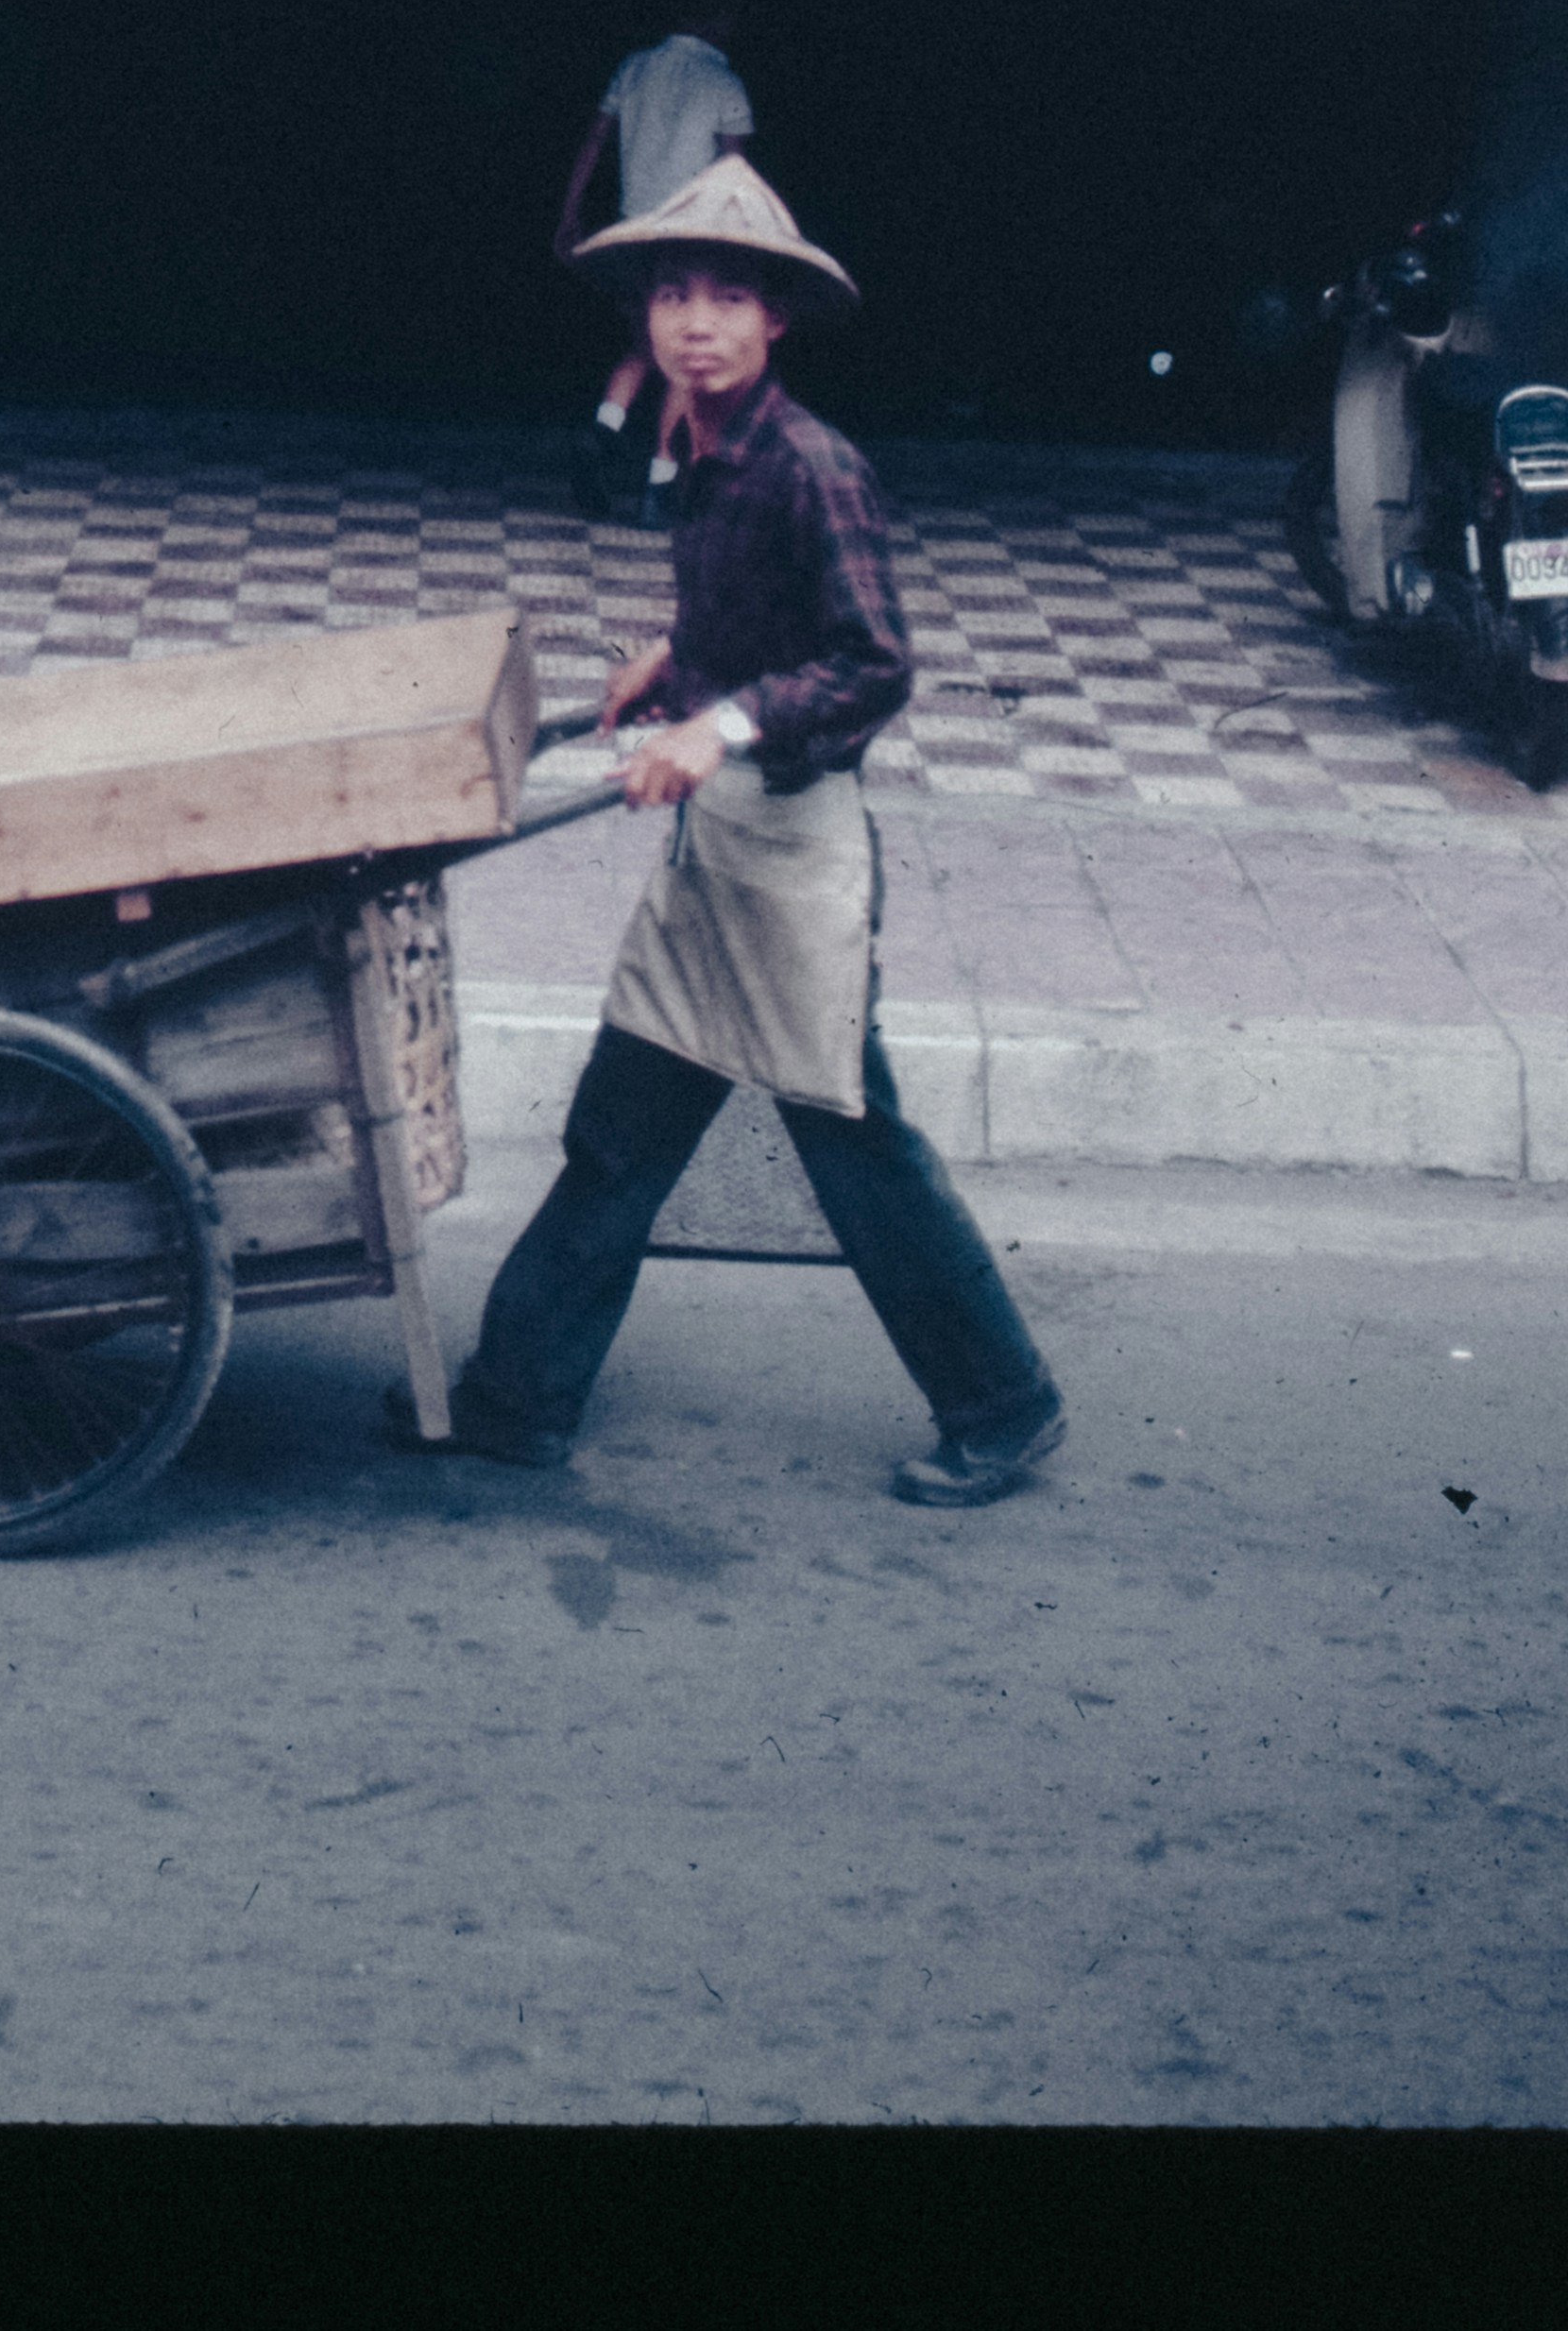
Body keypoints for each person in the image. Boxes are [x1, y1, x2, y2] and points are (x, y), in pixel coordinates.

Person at [389, 153, 1070, 1509]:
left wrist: (725, 723)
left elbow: (872, 660)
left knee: (853, 1144)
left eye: (725, 300)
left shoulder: (813, 464)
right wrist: (678, 661)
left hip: (796, 851)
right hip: (721, 849)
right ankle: (517, 1401)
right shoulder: (700, 446)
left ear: (777, 321)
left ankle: (1004, 1403)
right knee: (619, 1133)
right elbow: (765, 621)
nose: (694, 322)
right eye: (673, 297)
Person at [550, 0, 757, 523]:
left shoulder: (635, 68)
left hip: (635, 231)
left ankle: (604, 430)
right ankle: (660, 484)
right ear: (715, 16)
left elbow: (595, 139)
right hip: (692, 236)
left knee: (645, 340)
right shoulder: (723, 84)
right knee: (684, 361)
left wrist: (570, 213)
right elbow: (734, 173)